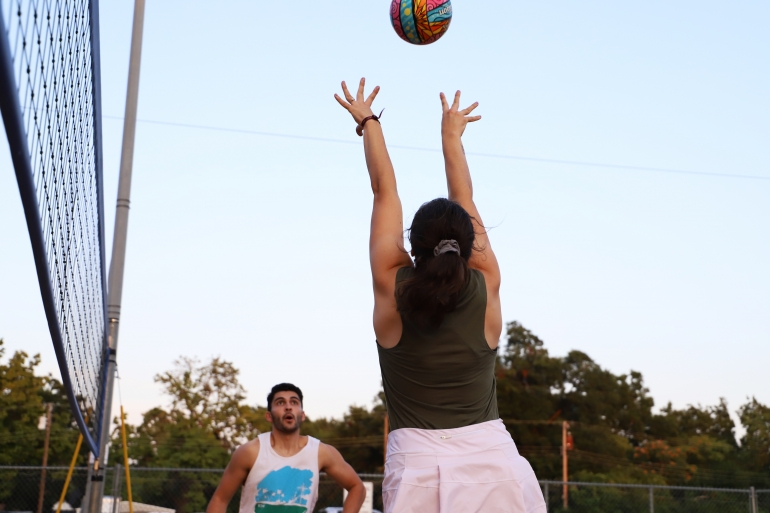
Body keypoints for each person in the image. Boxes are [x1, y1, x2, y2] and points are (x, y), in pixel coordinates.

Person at [334, 79, 547, 513]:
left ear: (413, 244)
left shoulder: (391, 284)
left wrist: (369, 123)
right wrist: (451, 135)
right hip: (495, 465)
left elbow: (384, 192)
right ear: (469, 247)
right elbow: (463, 196)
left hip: (417, 470)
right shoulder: (485, 280)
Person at [207, 383, 366, 513]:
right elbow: (220, 500)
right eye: (280, 402)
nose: (288, 407)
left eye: (294, 402)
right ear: (269, 415)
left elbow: (356, 487)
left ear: (302, 415)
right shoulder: (249, 452)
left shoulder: (321, 452)